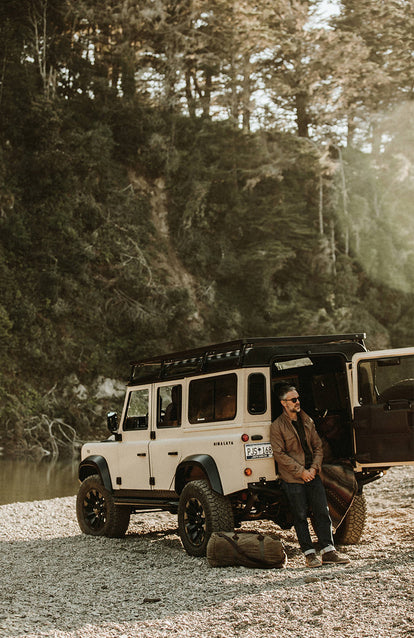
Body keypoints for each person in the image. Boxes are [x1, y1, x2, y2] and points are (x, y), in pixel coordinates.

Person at [270, 384, 350, 568]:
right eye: (293, 399)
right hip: (293, 478)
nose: (298, 402)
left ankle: (329, 551)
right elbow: (279, 454)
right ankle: (309, 554)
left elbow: (318, 447)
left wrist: (314, 469)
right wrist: (301, 472)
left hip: (312, 475)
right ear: (283, 403)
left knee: (322, 512)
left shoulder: (307, 421)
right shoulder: (277, 427)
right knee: (299, 516)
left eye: (298, 398)